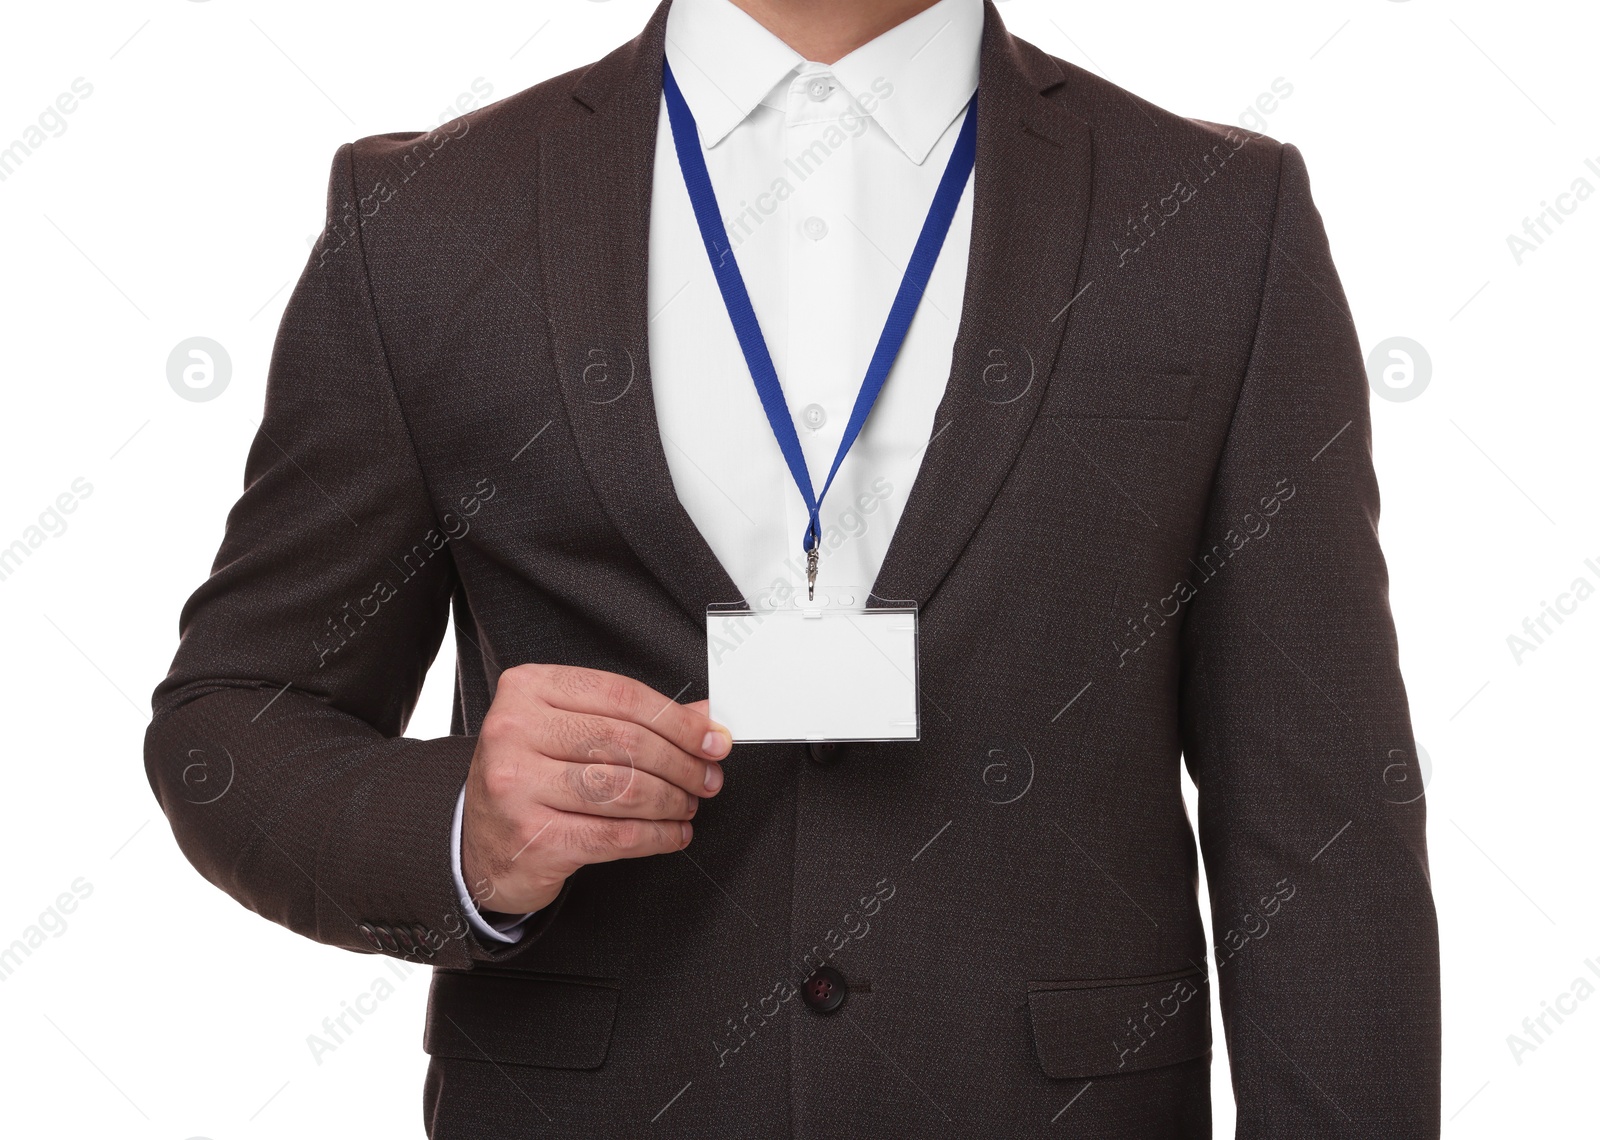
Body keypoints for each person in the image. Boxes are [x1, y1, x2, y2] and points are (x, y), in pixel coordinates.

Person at [145, 0, 1441, 1135]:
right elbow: (235, 720)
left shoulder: (1219, 220)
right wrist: (460, 837)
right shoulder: (428, 221)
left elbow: (1325, 826)